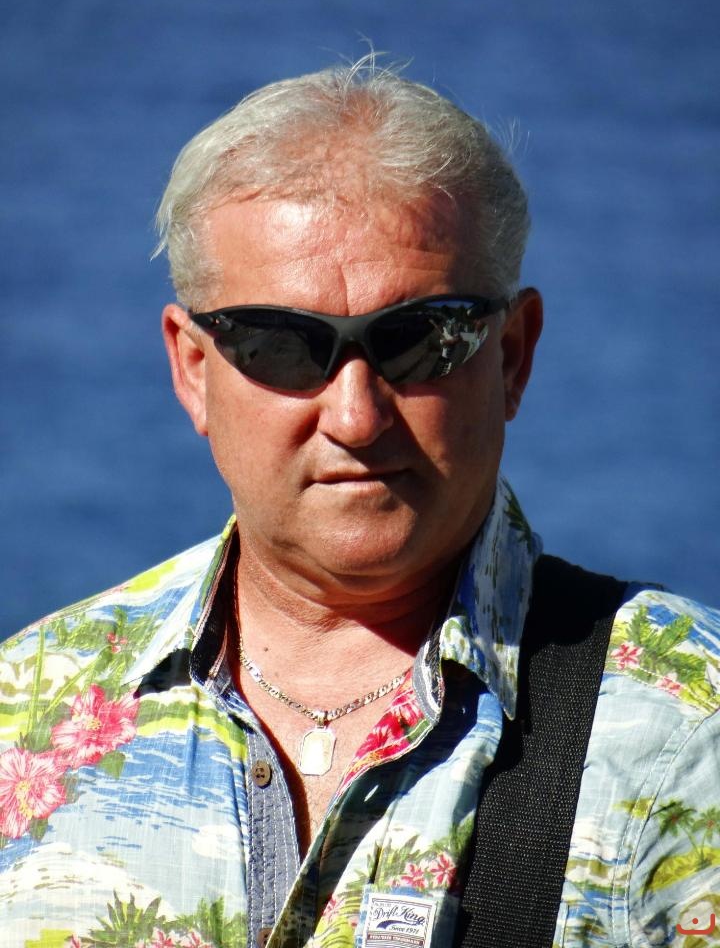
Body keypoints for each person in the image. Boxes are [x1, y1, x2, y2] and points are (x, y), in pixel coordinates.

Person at [1, 61, 719, 948]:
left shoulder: (688, 733)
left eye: (422, 339)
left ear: (513, 356)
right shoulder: (23, 712)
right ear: (192, 369)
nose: (355, 415)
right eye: (281, 344)